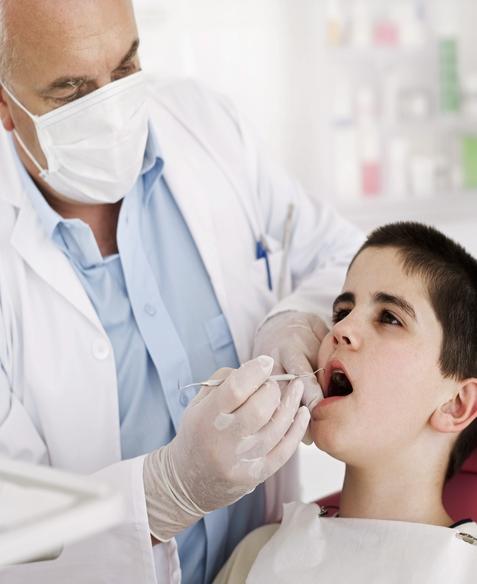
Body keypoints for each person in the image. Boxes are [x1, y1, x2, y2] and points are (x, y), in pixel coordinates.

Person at [0, 0, 364, 582]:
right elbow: (11, 525)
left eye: (124, 68)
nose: (111, 110)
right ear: (6, 104)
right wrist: (163, 493)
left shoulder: (203, 124)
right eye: (70, 93)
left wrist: (295, 316)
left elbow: (339, 253)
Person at [214, 221, 477, 584]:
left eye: (389, 317)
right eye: (341, 311)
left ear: (456, 404)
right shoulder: (256, 555)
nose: (339, 329)